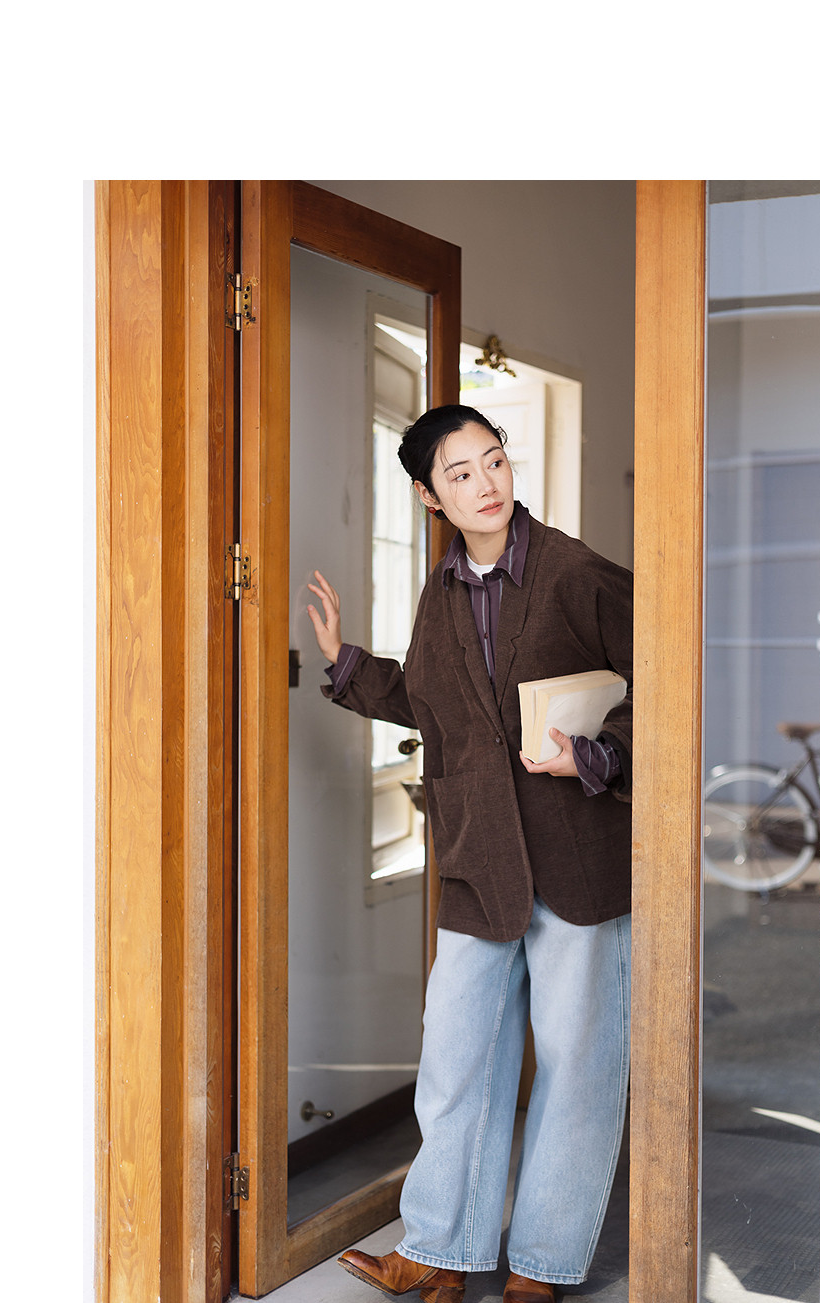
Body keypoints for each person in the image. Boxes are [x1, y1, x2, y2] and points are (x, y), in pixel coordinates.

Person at [307, 405, 633, 1303]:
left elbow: (668, 679)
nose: (486, 483)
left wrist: (595, 755)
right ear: (429, 494)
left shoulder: (575, 572)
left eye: (494, 460)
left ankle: (541, 1265)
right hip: (479, 853)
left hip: (577, 857)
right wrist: (347, 665)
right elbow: (433, 702)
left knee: (577, 1065)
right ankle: (441, 1248)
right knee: (456, 1058)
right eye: (461, 473)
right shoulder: (441, 591)